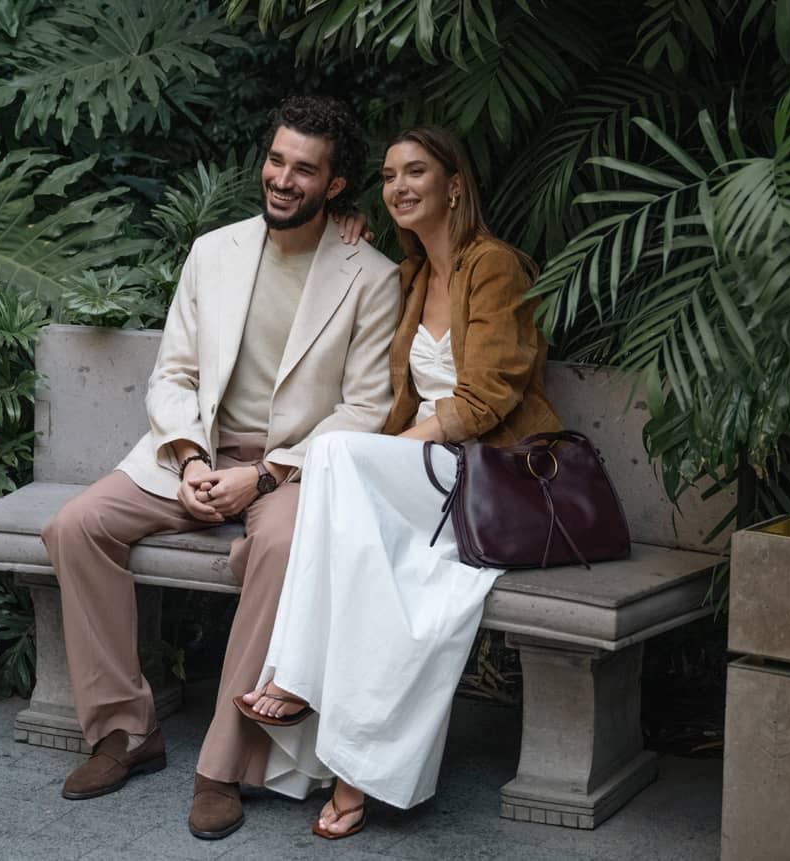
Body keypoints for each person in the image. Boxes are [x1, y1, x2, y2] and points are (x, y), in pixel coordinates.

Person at [39, 95, 401, 841]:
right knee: (75, 527)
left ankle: (224, 764)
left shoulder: (370, 275)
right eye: (276, 160)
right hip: (192, 456)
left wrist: (264, 475)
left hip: (297, 471)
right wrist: (195, 458)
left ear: (335, 185)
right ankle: (125, 731)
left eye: (305, 169)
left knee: (279, 547)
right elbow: (172, 373)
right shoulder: (215, 251)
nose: (283, 178)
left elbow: (364, 407)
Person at [234, 126, 562, 839]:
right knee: (374, 577)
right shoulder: (412, 277)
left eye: (416, 171)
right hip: (429, 473)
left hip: (491, 472)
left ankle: (295, 674)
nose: (399, 185)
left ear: (454, 185)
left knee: (337, 455)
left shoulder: (496, 267)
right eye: (387, 176)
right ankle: (354, 774)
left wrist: (387, 450)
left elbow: (486, 399)